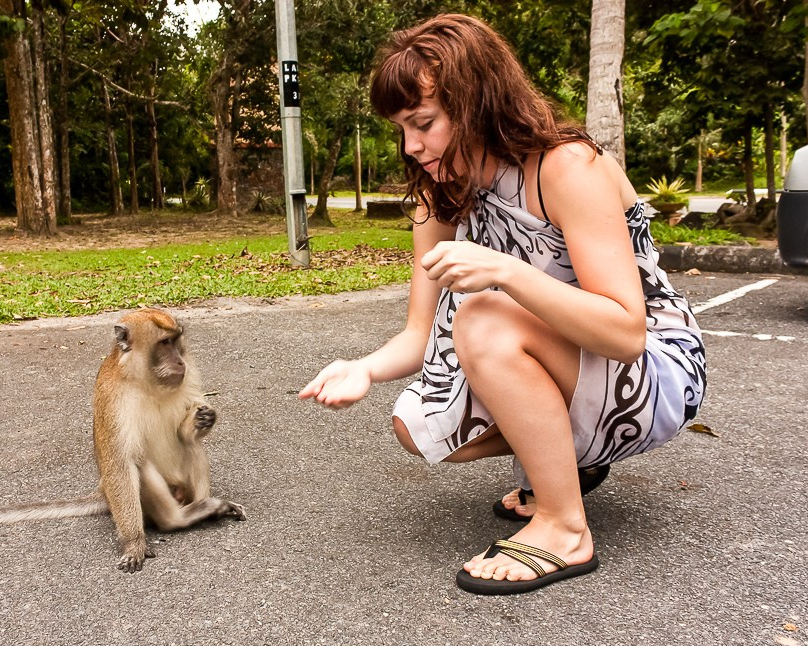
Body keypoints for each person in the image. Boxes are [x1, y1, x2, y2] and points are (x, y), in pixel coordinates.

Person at [298, 14, 706, 595]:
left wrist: (507, 272)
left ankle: (565, 528)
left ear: (475, 102)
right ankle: (573, 463)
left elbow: (625, 333)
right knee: (419, 429)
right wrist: (362, 367)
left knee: (484, 316)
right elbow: (418, 338)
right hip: (580, 364)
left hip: (654, 372)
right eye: (401, 129)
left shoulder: (567, 168)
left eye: (424, 123)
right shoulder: (439, 196)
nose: (412, 146)